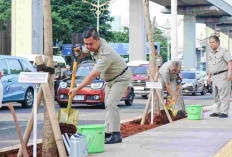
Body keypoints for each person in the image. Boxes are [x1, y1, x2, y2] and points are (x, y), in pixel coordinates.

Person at [69, 27, 131, 144]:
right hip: (109, 80)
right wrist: (79, 51)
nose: (88, 46)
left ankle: (116, 134)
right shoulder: (93, 45)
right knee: (107, 104)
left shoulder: (106, 52)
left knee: (111, 103)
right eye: (86, 43)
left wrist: (77, 89)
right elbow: (83, 52)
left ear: (98, 40)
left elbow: (93, 75)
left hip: (121, 78)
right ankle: (108, 131)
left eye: (90, 44)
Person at [207, 35, 232, 118]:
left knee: (224, 94)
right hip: (214, 76)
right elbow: (210, 66)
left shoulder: (224, 51)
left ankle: (224, 112)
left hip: (223, 75)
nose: (211, 44)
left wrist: (229, 73)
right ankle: (218, 110)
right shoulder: (210, 53)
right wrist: (209, 77)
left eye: (213, 42)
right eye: (210, 42)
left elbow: (229, 62)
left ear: (218, 42)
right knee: (216, 95)